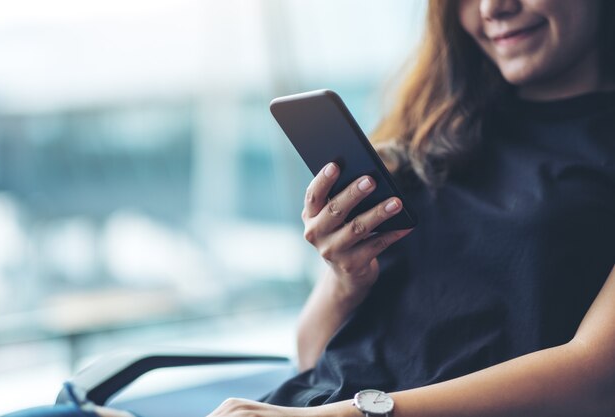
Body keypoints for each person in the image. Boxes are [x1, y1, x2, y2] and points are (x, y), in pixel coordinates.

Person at [96, 0, 615, 416]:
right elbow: (311, 356)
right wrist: (346, 281)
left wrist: (352, 415)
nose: (492, 7)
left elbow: (595, 377)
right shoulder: (436, 132)